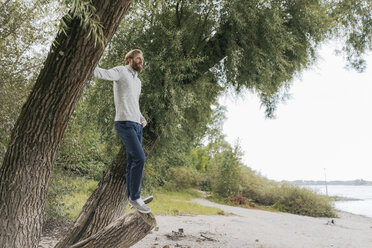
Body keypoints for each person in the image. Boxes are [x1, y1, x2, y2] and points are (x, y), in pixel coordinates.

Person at [93, 49, 152, 213]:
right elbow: (101, 73)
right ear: (129, 59)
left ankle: (133, 198)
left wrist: (141, 118)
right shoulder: (121, 71)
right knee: (140, 157)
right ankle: (135, 197)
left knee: (132, 161)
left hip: (137, 124)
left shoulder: (138, 81)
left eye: (142, 59)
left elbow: (135, 102)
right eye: (138, 58)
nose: (141, 61)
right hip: (124, 122)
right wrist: (86, 64)